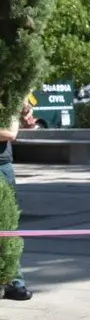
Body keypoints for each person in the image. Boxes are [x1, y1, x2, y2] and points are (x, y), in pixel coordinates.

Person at [0, 97, 35, 301]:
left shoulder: (9, 92)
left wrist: (23, 113)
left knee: (7, 226)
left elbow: (10, 132)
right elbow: (9, 132)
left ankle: (14, 281)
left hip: (2, 166)